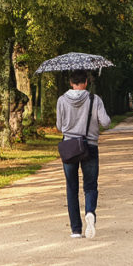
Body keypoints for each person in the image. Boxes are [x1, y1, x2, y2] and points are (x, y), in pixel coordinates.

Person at [56, 70, 111, 239]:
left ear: (71, 82)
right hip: (90, 146)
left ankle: (75, 229)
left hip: (69, 146)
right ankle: (90, 212)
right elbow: (106, 123)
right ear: (86, 82)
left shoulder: (62, 100)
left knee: (71, 188)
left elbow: (59, 126)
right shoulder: (95, 99)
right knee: (90, 185)